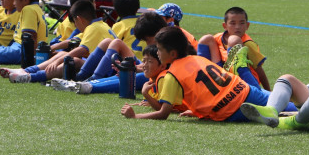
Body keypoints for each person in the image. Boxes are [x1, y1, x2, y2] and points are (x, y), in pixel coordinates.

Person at [118, 26, 277, 122]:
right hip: (243, 90)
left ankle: (240, 68)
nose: (157, 52)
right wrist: (197, 111)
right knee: (282, 101)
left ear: (172, 53)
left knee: (279, 112)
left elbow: (163, 113)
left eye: (159, 49)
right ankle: (240, 67)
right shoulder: (198, 58)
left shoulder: (172, 75)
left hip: (230, 110)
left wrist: (135, 116)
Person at [1, 0, 117, 83]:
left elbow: (81, 50)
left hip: (106, 71)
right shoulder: (99, 25)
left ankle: (31, 77)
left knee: (73, 60)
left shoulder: (93, 28)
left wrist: (56, 62)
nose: (76, 26)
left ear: (79, 19)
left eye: (75, 23)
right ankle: (26, 71)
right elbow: (72, 40)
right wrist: (51, 48)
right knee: (63, 54)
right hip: (103, 66)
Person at [197, 6, 270, 90]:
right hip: (224, 76)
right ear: (225, 26)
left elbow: (259, 69)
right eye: (233, 23)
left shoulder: (247, 43)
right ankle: (202, 87)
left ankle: (254, 91)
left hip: (245, 82)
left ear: (247, 25)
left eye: (242, 23)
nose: (237, 27)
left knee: (234, 41)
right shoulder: (217, 38)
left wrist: (268, 90)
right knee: (206, 39)